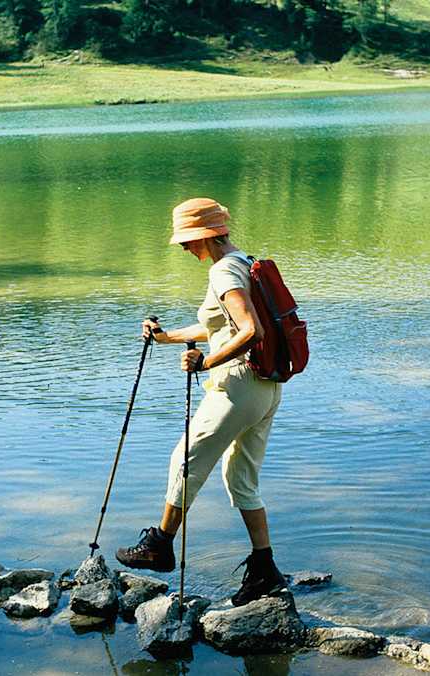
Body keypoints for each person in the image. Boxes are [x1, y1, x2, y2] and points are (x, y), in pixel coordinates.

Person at [115, 197, 286, 607]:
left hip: (238, 386)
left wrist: (204, 362)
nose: (184, 249)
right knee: (241, 479)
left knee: (185, 459)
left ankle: (159, 545)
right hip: (267, 387)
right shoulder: (242, 261)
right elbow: (221, 324)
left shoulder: (223, 270)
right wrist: (167, 337)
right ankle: (265, 571)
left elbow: (250, 330)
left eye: (187, 241)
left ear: (205, 236)